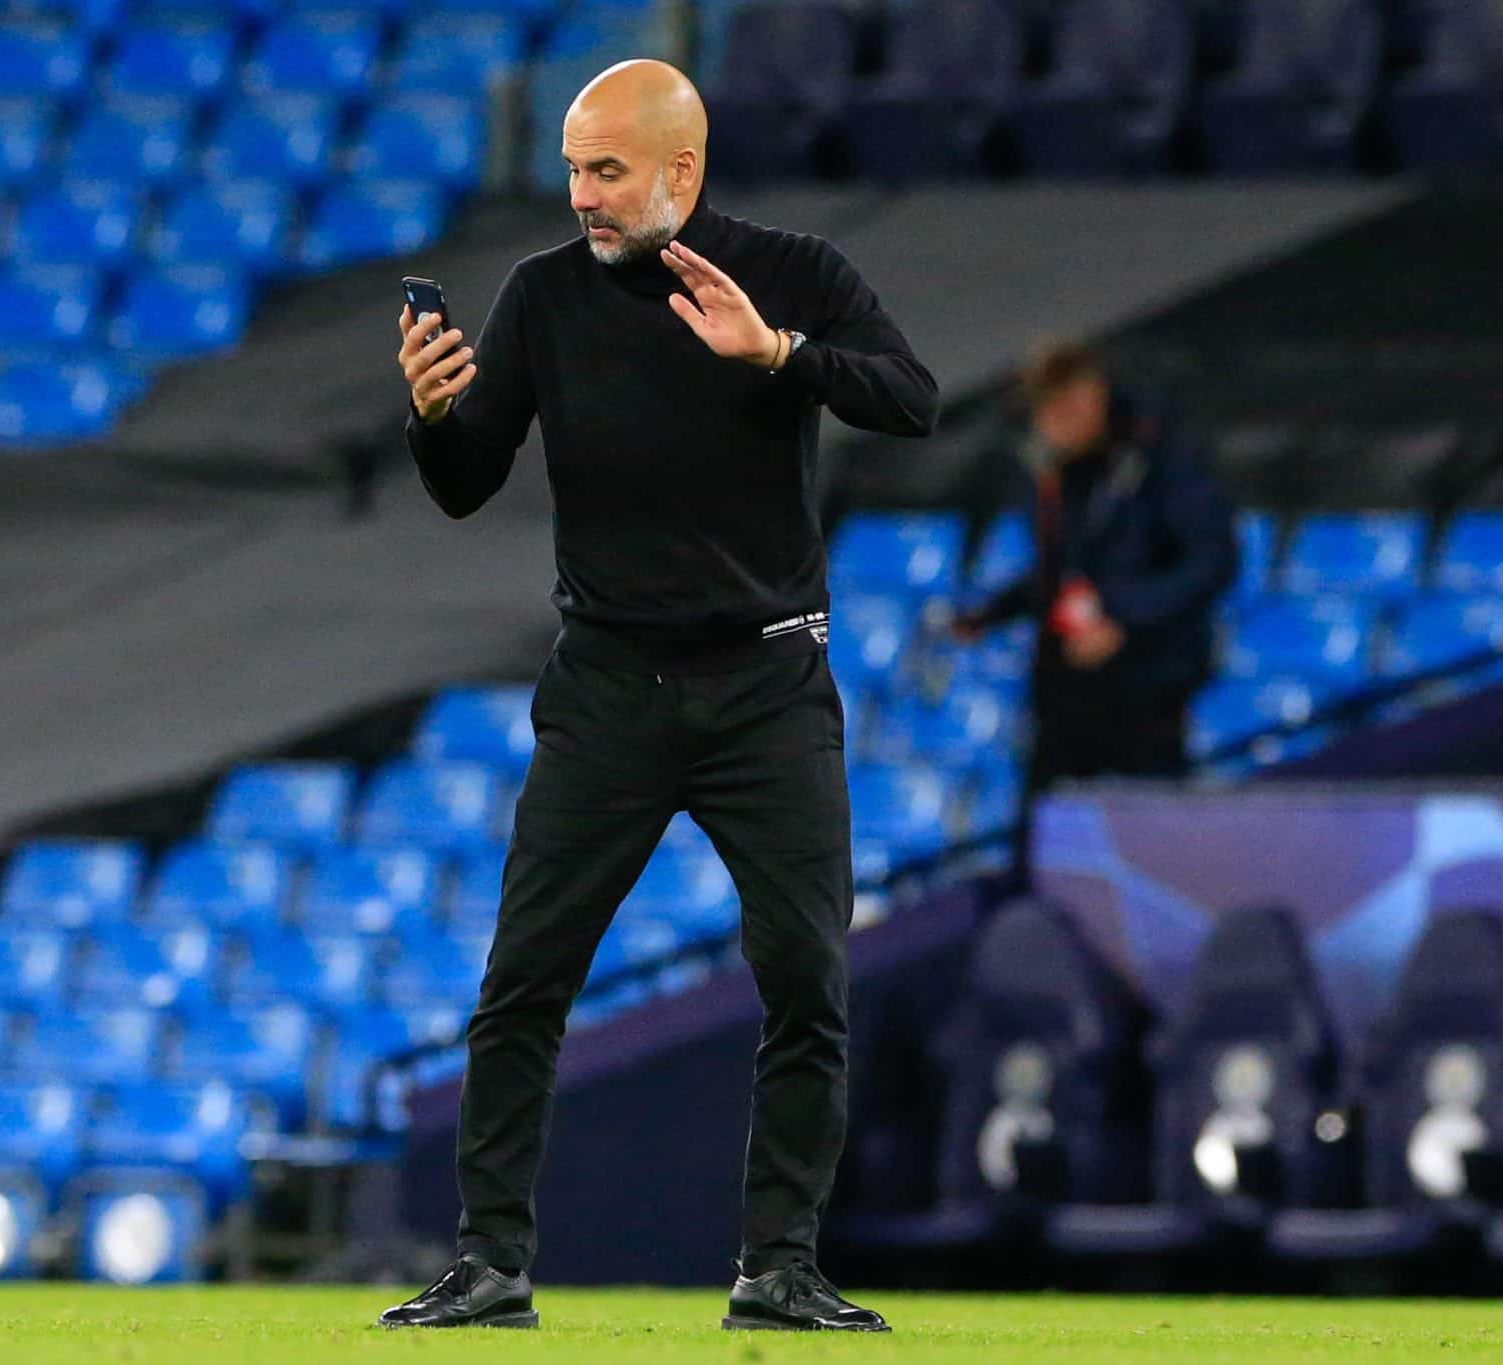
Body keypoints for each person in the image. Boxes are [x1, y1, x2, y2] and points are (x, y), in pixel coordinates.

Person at [382, 60, 938, 1332]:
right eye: (573, 167)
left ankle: (777, 1266)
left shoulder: (790, 273)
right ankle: (489, 1264)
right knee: (524, 976)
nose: (580, 192)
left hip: (765, 682)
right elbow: (467, 482)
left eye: (605, 170)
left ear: (680, 172)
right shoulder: (543, 296)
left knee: (805, 976)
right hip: (607, 686)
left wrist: (780, 353)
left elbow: (912, 398)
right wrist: (431, 417)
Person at [957, 341, 1237, 808]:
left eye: (1063, 411)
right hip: (1068, 684)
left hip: (1150, 684)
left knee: (1151, 828)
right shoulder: (1051, 471)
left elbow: (1212, 561)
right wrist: (992, 614)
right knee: (1046, 823)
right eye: (1044, 415)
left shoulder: (1162, 461)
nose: (1050, 428)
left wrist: (1124, 621)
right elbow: (1067, 569)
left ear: (1093, 400)